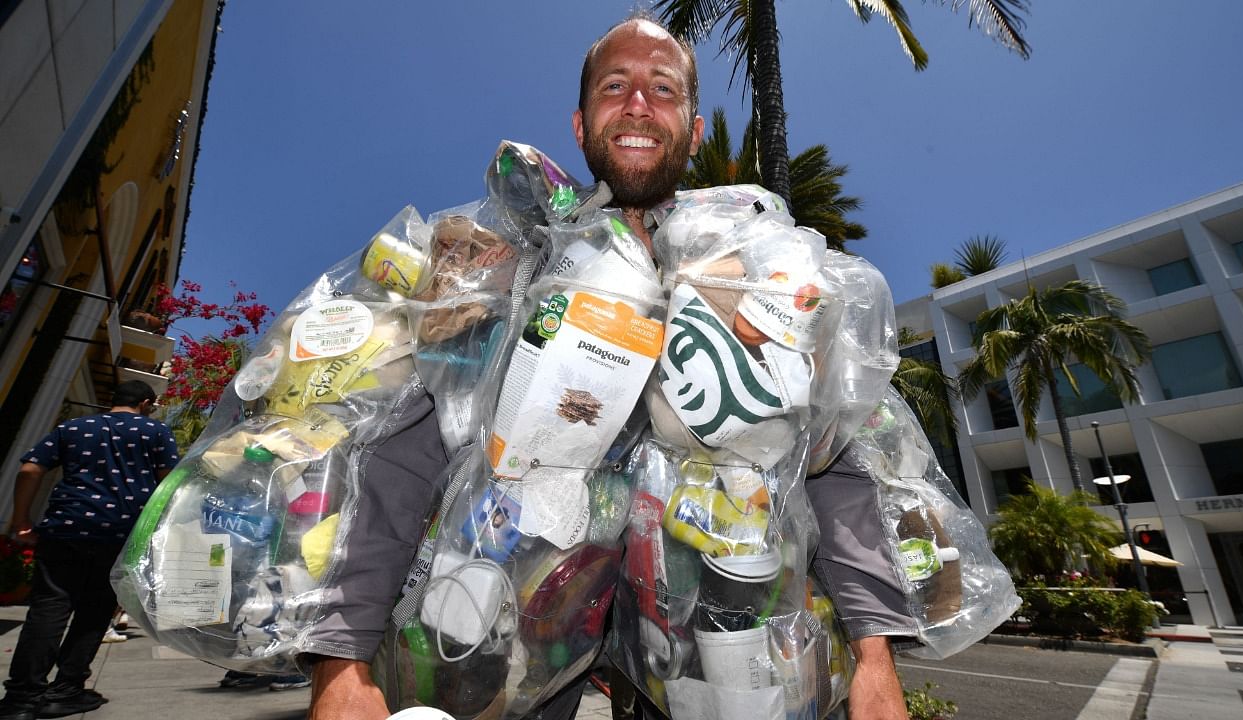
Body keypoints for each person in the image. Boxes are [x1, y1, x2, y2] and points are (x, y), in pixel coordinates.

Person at [304, 15, 911, 720]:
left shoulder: (755, 272)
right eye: (615, 86)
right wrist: (340, 664)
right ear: (580, 121)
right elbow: (398, 454)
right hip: (502, 644)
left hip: (719, 649)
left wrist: (874, 657)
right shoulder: (508, 257)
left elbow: (832, 461)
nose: (637, 105)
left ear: (695, 124)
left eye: (663, 89)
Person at [0, 381, 179, 720]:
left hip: (65, 527)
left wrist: (20, 520)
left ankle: (21, 699)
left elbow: (30, 469)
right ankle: (66, 690)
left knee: (48, 608)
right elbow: (168, 482)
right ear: (145, 403)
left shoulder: (73, 427)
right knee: (95, 611)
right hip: (121, 533)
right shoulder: (155, 431)